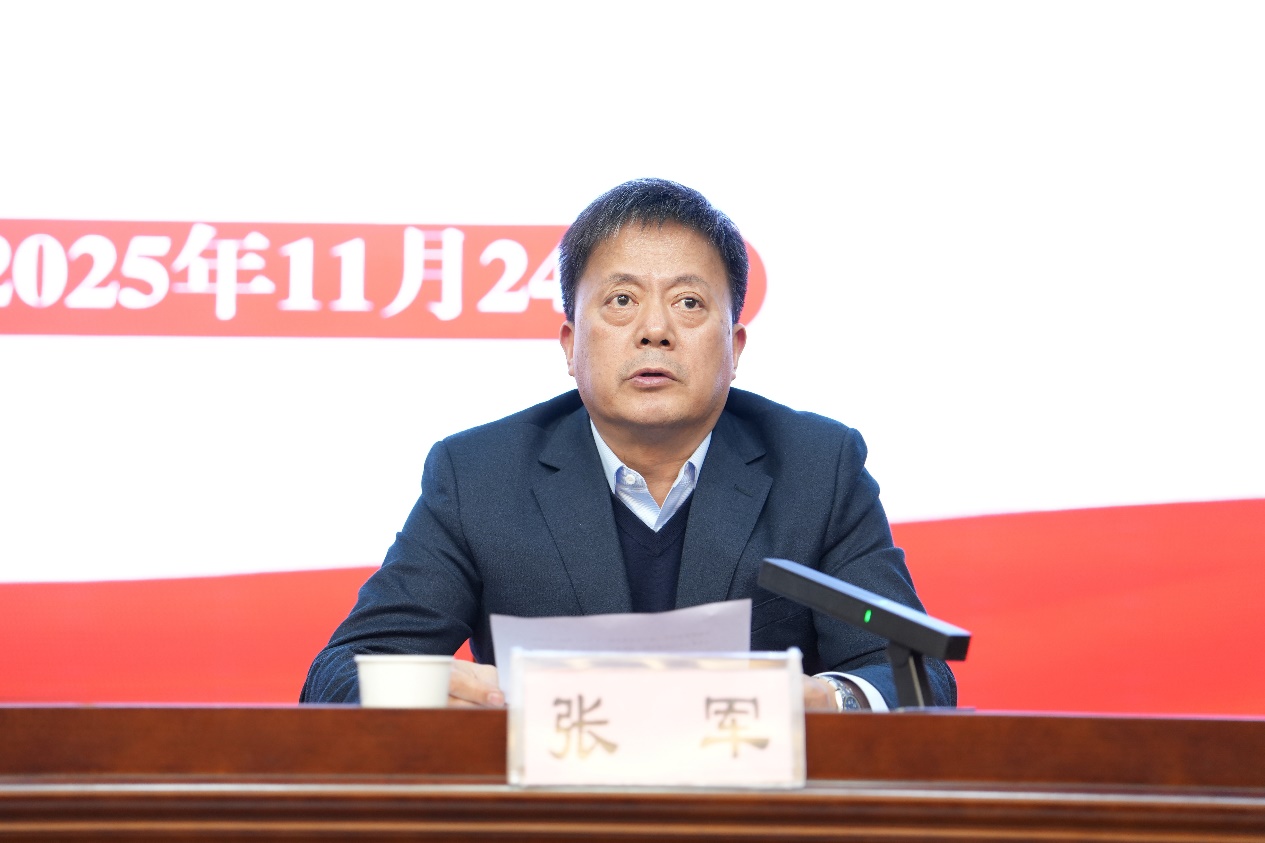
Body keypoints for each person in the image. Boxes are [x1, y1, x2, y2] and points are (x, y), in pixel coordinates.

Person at [301, 178, 956, 712]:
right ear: (569, 345)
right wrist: (431, 689)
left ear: (734, 347)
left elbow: (916, 673)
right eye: (620, 300)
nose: (654, 330)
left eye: (689, 303)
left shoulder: (817, 467)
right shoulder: (479, 477)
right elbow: (338, 674)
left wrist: (829, 699)